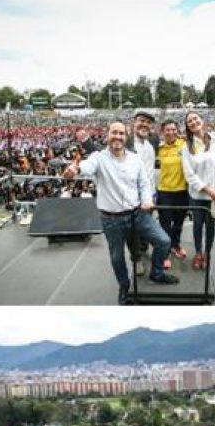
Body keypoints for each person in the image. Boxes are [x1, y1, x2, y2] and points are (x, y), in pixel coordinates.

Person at [63, 120, 177, 305]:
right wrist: (74, 169)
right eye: (114, 133)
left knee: (164, 241)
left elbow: (143, 183)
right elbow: (85, 166)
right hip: (111, 219)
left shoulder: (135, 158)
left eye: (121, 133)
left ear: (126, 137)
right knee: (117, 257)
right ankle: (124, 286)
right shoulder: (99, 158)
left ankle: (157, 274)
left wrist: (147, 200)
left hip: (137, 213)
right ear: (107, 136)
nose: (117, 136)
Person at [180, 111, 215, 271]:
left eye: (195, 118)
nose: (193, 122)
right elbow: (189, 175)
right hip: (197, 194)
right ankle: (198, 253)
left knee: (211, 226)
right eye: (189, 121)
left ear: (202, 120)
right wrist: (210, 191)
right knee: (197, 225)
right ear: (187, 126)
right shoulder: (186, 146)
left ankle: (207, 253)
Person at [125, 109, 159, 276]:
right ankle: (136, 259)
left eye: (148, 122)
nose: (144, 124)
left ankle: (144, 248)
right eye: (141, 121)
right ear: (134, 123)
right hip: (132, 195)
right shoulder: (125, 143)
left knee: (146, 224)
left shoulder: (152, 142)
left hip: (150, 193)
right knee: (132, 229)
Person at [156, 119, 190, 267]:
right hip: (164, 192)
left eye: (173, 129)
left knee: (178, 223)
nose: (171, 132)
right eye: (167, 130)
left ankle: (175, 245)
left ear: (178, 130)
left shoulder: (184, 145)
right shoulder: (159, 148)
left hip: (182, 191)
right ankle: (166, 252)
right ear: (162, 132)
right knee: (165, 225)